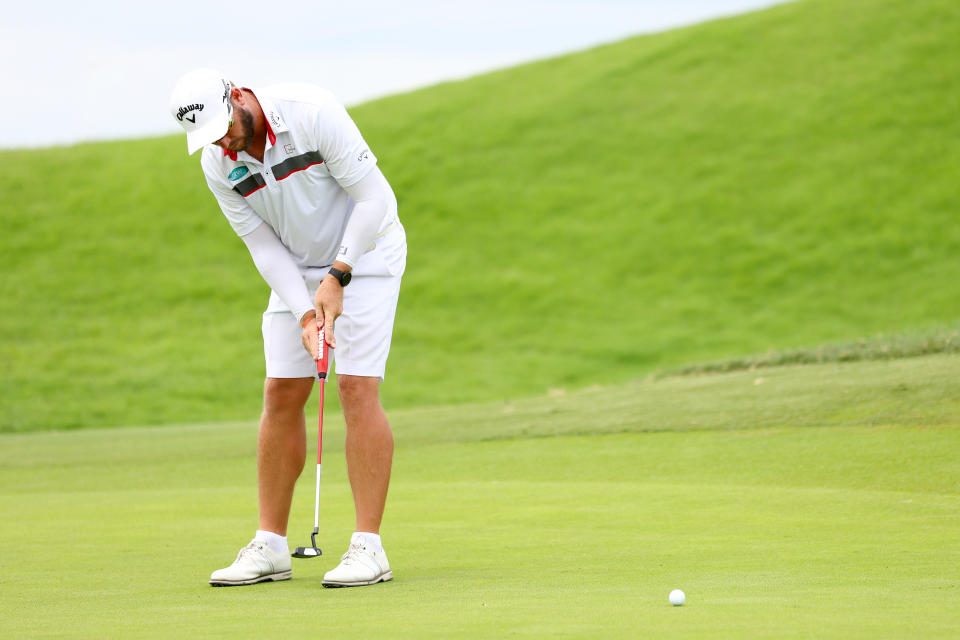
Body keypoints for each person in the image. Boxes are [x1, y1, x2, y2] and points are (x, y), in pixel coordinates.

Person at [168, 68, 405, 588]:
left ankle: (369, 547)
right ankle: (271, 546)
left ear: (235, 96)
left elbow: (375, 199)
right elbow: (263, 247)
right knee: (280, 391)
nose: (224, 143)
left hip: (366, 254)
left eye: (223, 127)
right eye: (210, 138)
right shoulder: (217, 163)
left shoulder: (310, 110)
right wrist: (304, 312)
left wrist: (338, 275)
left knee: (355, 385)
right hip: (297, 268)